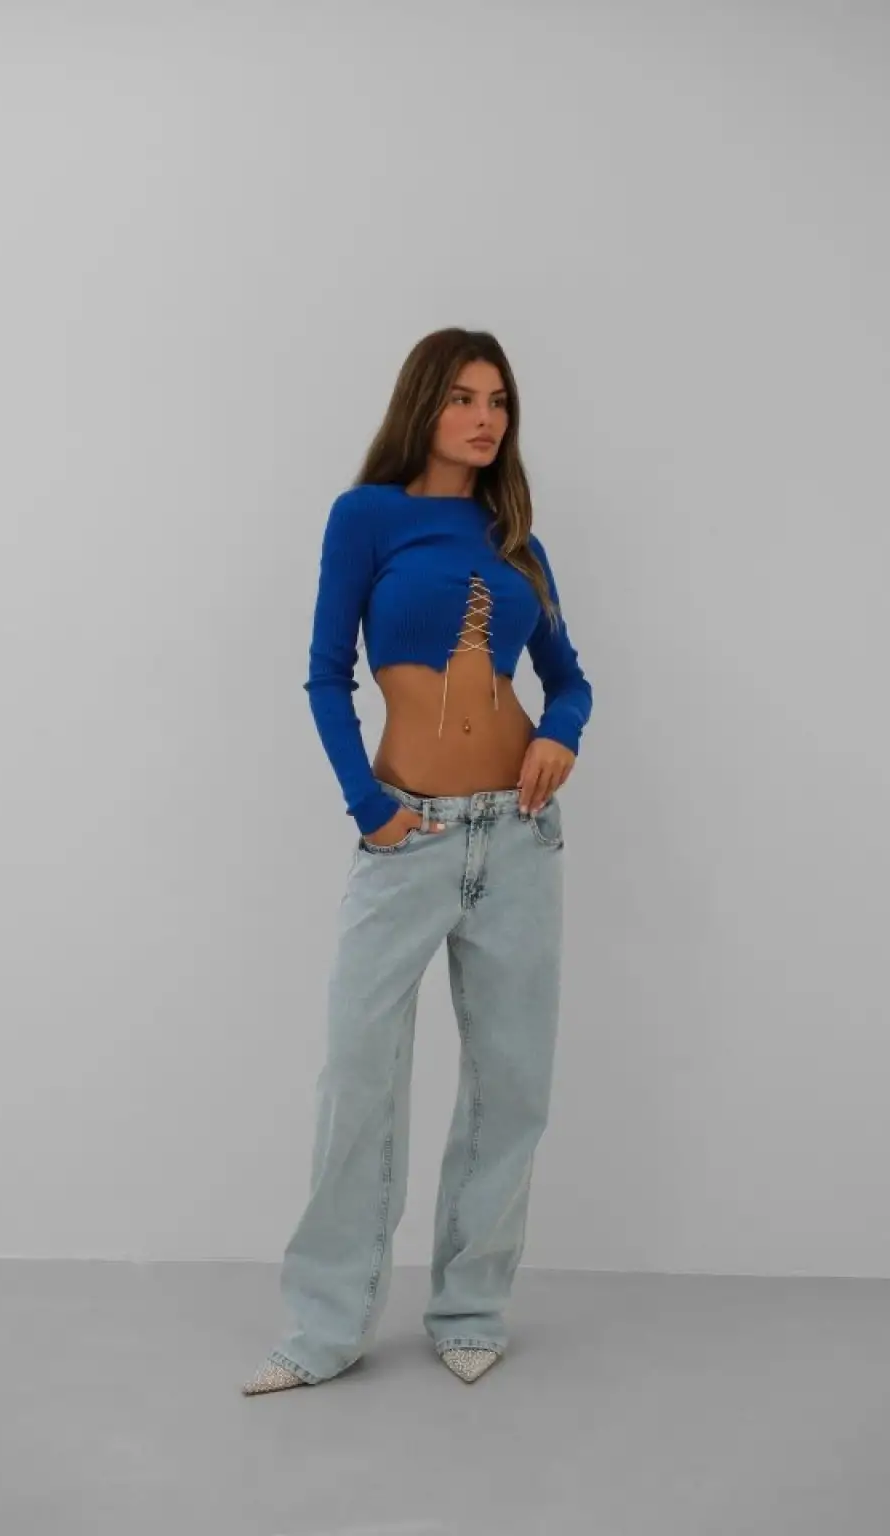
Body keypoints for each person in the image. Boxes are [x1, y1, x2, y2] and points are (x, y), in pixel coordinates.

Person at [242, 327, 593, 1393]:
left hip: (518, 837)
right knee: (358, 1080)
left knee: (509, 1087)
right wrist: (367, 806)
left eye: (499, 400)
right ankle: (324, 1327)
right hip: (408, 836)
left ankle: (470, 1307)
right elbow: (324, 674)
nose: (485, 419)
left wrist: (559, 733)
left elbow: (569, 678)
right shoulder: (367, 518)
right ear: (423, 405)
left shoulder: (517, 538)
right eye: (463, 398)